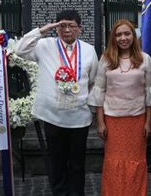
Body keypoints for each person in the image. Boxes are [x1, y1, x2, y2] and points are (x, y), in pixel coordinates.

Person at [16, 10, 98, 195]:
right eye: (62, 25)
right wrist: (41, 31)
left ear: (80, 29)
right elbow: (20, 50)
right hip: (52, 116)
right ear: (56, 27)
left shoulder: (88, 49)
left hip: (79, 117)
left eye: (72, 26)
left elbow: (93, 79)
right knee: (56, 161)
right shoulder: (44, 45)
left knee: (77, 163)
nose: (67, 30)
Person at [88, 19, 151, 195]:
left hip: (137, 120)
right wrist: (100, 123)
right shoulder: (106, 59)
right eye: (118, 34)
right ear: (113, 38)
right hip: (113, 120)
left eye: (127, 33)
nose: (123, 38)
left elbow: (149, 93)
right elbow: (99, 92)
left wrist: (148, 122)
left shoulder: (145, 59)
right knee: (114, 161)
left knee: (136, 160)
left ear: (134, 35)